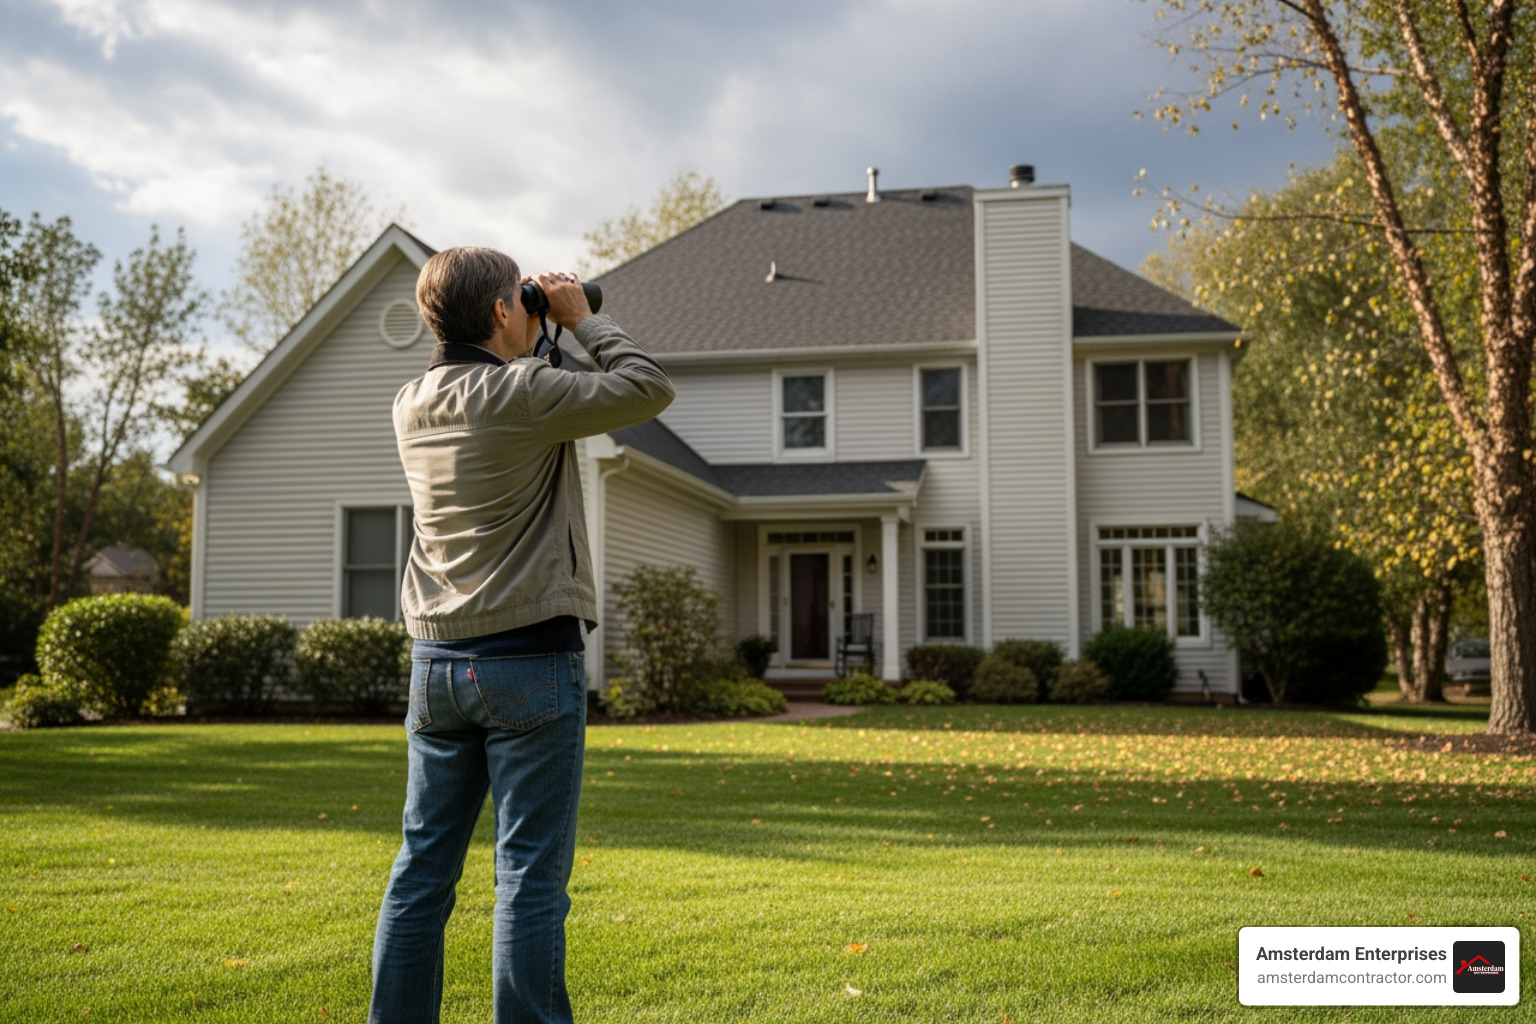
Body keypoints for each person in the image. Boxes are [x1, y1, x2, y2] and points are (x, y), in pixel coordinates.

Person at [368, 247, 674, 1024]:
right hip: (531, 660)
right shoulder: (525, 392)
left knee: (421, 872)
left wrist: (540, 336)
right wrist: (583, 319)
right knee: (529, 877)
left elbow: (511, 388)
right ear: (504, 311)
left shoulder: (411, 400)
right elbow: (648, 389)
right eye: (519, 295)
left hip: (437, 666)